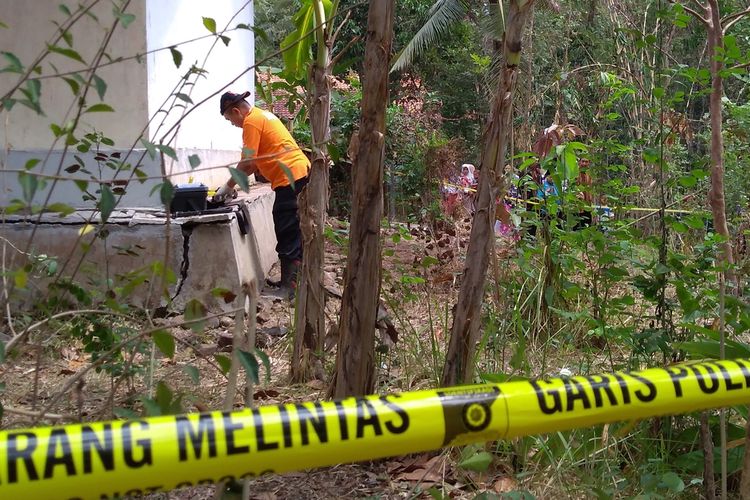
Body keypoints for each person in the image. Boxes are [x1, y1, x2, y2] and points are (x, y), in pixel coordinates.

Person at [213, 91, 310, 297]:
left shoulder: (251, 122)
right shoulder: (263, 116)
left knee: (286, 227)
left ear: (237, 111)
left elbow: (248, 163)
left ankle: (289, 288)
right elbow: (252, 164)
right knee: (292, 227)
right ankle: (293, 280)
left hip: (290, 176)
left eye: (230, 119)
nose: (232, 124)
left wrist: (227, 187)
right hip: (299, 172)